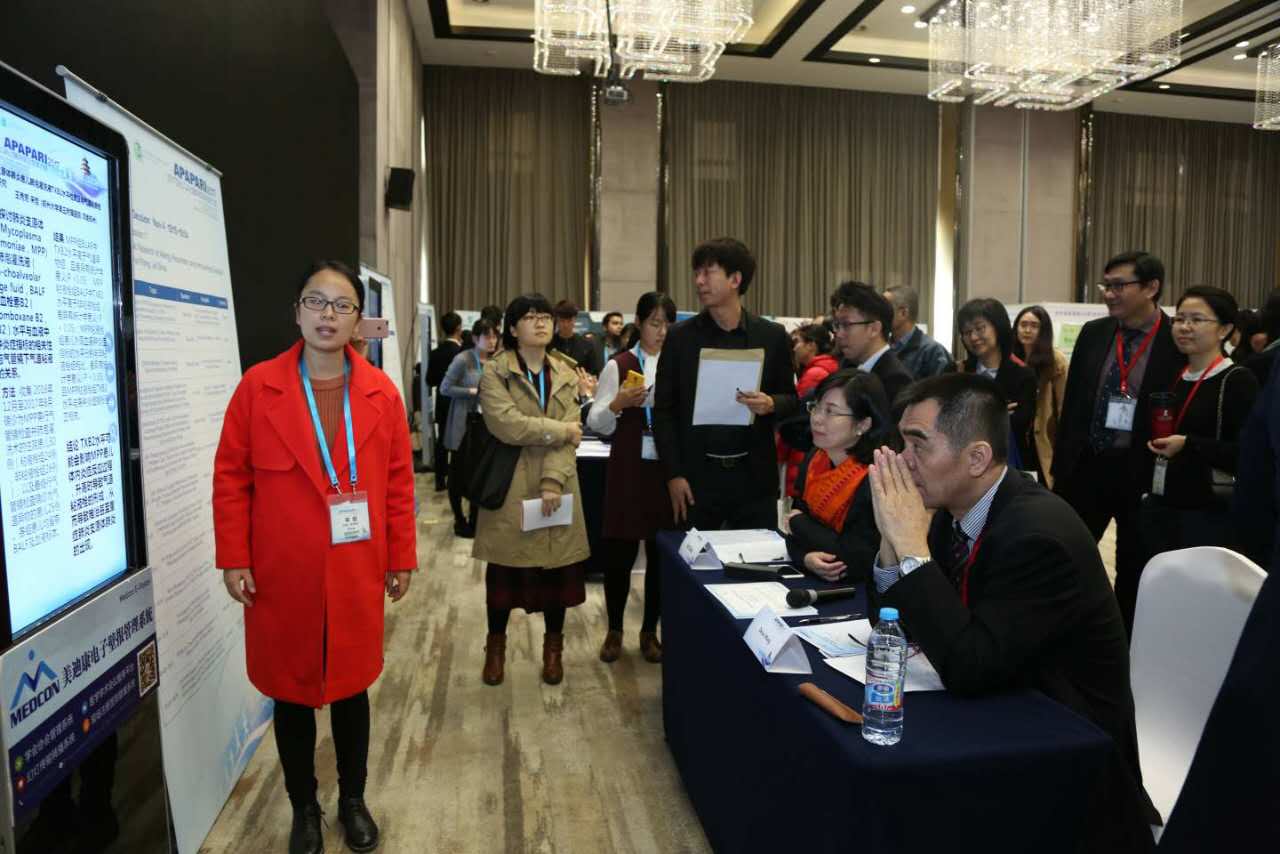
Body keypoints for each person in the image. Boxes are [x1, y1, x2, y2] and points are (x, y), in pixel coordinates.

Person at [866, 373, 1159, 852]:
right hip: (1000, 705)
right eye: (902, 444)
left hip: (1070, 755)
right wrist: (890, 538)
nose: (903, 460)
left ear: (977, 458)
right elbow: (890, 619)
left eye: (918, 445)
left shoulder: (1037, 536)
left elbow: (970, 667)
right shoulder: (951, 510)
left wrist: (912, 548)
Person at [213, 260, 417, 854]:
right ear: (297, 311)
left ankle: (353, 800)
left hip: (355, 568)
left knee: (352, 690)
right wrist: (234, 556)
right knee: (291, 693)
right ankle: (304, 807)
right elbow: (231, 478)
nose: (328, 315)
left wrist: (401, 555)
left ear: (357, 319)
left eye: (341, 304)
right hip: (282, 574)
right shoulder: (258, 387)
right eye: (316, 301)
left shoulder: (381, 394)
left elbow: (398, 484)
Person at [1052, 251, 1181, 636]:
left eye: (1119, 286)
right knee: (1063, 556)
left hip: (1139, 470)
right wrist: (1061, 466)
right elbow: (1073, 405)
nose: (1109, 294)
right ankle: (1061, 633)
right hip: (1087, 465)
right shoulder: (1095, 333)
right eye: (1106, 286)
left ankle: (1122, 643)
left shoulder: (1175, 340)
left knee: (1133, 567)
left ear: (1151, 288)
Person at [475, 293, 589, 687]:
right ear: (512, 327)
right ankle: (495, 648)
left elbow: (573, 435)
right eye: (529, 317)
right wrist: (560, 430)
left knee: (557, 574)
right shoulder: (496, 371)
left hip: (559, 484)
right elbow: (506, 424)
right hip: (511, 486)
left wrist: (553, 481)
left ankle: (553, 650)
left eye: (545, 316)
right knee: (503, 575)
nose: (540, 323)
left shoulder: (566, 371)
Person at [653, 237, 798, 530]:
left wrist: (771, 403)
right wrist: (674, 474)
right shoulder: (681, 338)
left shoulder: (771, 336)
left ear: (735, 279)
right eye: (697, 273)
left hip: (754, 478)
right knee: (691, 555)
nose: (699, 281)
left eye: (708, 272)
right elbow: (664, 411)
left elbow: (791, 399)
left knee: (757, 554)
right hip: (696, 478)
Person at [588, 292, 677, 664]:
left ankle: (649, 631)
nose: (661, 331)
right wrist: (619, 404)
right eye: (655, 323)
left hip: (664, 470)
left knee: (660, 554)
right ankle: (614, 629)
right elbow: (595, 421)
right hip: (628, 465)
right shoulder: (620, 364)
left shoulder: (677, 364)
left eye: (667, 324)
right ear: (639, 323)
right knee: (620, 553)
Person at [1139, 286, 1258, 563]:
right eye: (1179, 319)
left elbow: (1248, 453)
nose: (1184, 327)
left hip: (1208, 515)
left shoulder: (1237, 380)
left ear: (1224, 329)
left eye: (1196, 320)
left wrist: (1188, 444)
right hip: (1161, 507)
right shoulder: (1172, 376)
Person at [783, 369, 894, 582]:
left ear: (863, 424)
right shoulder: (816, 458)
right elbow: (792, 537)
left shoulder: (875, 477)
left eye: (830, 412)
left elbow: (856, 557)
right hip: (814, 579)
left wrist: (799, 523)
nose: (817, 419)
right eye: (816, 407)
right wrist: (805, 558)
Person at [956, 298, 1037, 472]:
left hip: (1009, 465)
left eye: (980, 328)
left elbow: (1021, 421)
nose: (973, 337)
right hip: (963, 466)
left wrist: (972, 413)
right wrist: (998, 413)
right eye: (967, 332)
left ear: (998, 327)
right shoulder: (957, 372)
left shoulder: (1023, 375)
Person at [440, 318, 499, 538]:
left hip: (486, 426)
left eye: (494, 336)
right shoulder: (463, 359)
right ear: (475, 338)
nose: (492, 341)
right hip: (463, 424)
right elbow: (445, 388)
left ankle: (476, 520)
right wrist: (471, 392)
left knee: (480, 474)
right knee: (457, 475)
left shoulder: (496, 361)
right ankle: (459, 519)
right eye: (487, 336)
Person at [829, 281, 914, 407]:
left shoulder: (896, 381)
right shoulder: (847, 365)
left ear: (874, 329)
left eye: (846, 325)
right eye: (837, 325)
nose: (839, 334)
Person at [778, 323, 839, 497]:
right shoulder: (825, 368)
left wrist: (779, 455)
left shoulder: (814, 374)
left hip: (803, 450)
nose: (794, 348)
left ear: (811, 345)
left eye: (797, 342)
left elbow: (794, 418)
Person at [1012, 306, 1068, 486]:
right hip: (1015, 434)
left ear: (1043, 331)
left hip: (1043, 436)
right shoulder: (1009, 358)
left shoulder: (1055, 360)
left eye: (1034, 326)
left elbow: (1063, 404)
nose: (1027, 330)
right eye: (1023, 325)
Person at [427, 311, 463, 491]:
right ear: (459, 328)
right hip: (459, 402)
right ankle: (456, 481)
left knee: (442, 441)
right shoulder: (463, 353)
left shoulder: (435, 353)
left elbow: (430, 380)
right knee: (459, 442)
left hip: (442, 403)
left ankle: (440, 480)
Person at [884, 284, 952, 379]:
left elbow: (939, 387)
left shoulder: (932, 351)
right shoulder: (883, 346)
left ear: (903, 313)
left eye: (885, 308)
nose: (880, 313)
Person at [550, 299, 601, 375]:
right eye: (562, 321)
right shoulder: (549, 343)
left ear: (575, 319)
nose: (566, 325)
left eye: (569, 321)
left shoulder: (586, 345)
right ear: (557, 320)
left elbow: (594, 372)